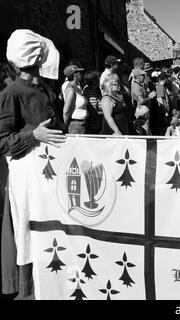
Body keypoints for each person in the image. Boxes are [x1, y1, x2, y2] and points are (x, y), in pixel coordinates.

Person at [0, 29, 66, 299]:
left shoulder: (42, 89)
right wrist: (33, 135)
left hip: (50, 177)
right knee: (31, 233)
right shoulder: (11, 93)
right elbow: (2, 140)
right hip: (27, 180)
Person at [62, 65, 88, 134]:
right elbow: (65, 112)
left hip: (83, 124)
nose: (81, 74)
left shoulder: (78, 87)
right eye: (79, 72)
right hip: (75, 126)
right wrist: (68, 124)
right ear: (74, 74)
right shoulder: (70, 90)